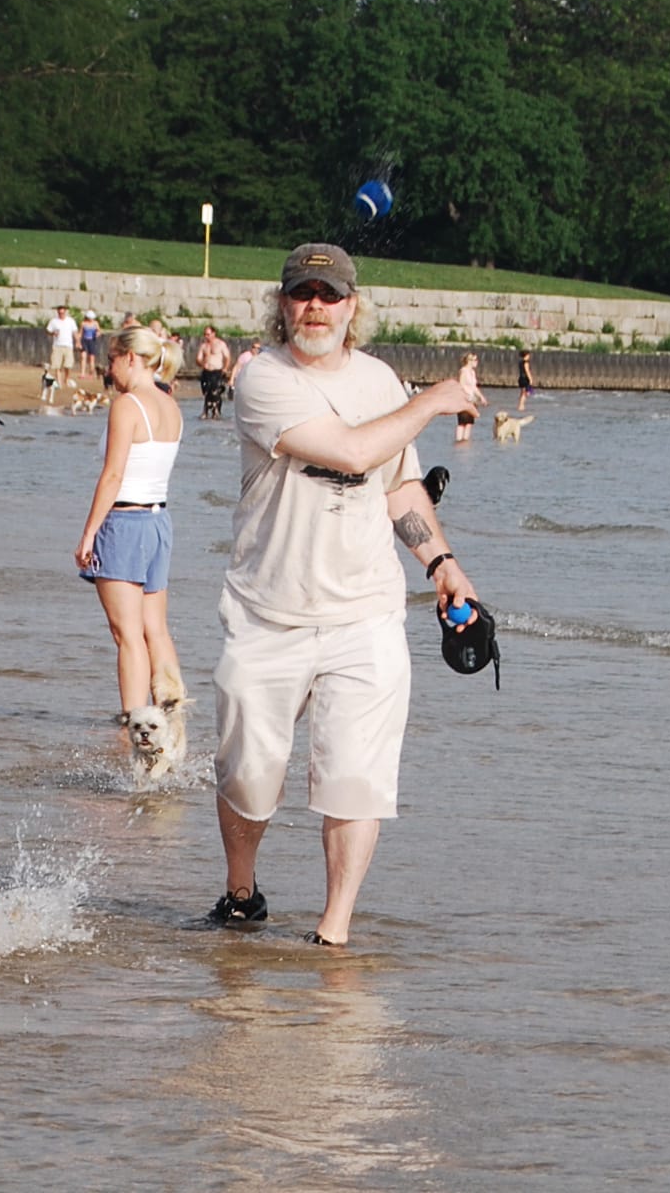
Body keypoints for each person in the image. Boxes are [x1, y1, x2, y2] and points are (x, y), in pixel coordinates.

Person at [210, 243, 479, 945]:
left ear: (352, 307)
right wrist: (435, 399)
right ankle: (241, 891)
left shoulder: (381, 380)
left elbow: (398, 485)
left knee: (357, 780)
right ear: (281, 304)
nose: (316, 307)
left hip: (366, 614)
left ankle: (334, 933)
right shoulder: (262, 378)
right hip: (268, 613)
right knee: (248, 777)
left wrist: (441, 562)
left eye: (330, 296)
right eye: (303, 293)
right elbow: (354, 452)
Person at [74, 325, 185, 738]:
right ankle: (171, 723)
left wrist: (89, 533)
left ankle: (134, 731)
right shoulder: (171, 405)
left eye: (112, 360)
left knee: (127, 635)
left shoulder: (127, 405)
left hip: (124, 523)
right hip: (158, 523)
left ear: (131, 359)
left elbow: (113, 475)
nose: (109, 369)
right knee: (156, 630)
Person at [193, 326, 231, 420]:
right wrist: (202, 363)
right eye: (205, 334)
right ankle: (205, 411)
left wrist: (225, 368)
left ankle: (216, 411)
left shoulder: (220, 344)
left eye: (208, 334)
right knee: (206, 392)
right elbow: (198, 359)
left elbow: (227, 357)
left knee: (215, 392)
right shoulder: (204, 346)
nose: (206, 336)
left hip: (217, 371)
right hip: (206, 371)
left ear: (214, 334)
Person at [453, 351, 488, 444]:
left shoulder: (472, 372)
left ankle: (465, 442)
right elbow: (460, 386)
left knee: (469, 423)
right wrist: (464, 397)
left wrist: (481, 397)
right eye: (475, 360)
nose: (477, 362)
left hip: (472, 400)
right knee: (462, 422)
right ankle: (459, 441)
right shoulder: (463, 371)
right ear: (469, 361)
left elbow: (474, 387)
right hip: (464, 400)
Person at [45, 305, 78, 384]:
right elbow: (48, 330)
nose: (61, 314)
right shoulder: (54, 321)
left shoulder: (71, 321)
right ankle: (59, 381)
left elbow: (75, 332)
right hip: (57, 345)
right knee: (57, 365)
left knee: (68, 365)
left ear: (65, 312)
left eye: (62, 313)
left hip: (68, 345)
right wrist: (53, 333)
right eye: (60, 313)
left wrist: (78, 342)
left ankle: (66, 379)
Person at [78, 312, 101, 378]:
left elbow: (99, 331)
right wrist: (78, 342)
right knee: (83, 357)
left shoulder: (95, 323)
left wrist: (97, 334)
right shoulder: (83, 323)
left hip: (92, 341)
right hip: (84, 341)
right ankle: (82, 373)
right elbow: (80, 333)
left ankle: (91, 373)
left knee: (91, 358)